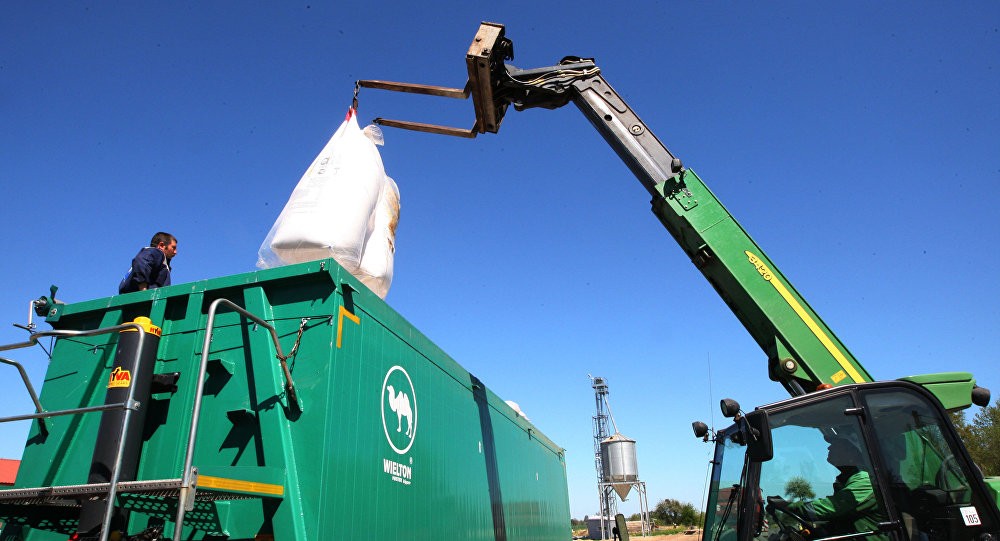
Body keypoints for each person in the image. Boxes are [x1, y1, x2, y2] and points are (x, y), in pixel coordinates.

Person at [769, 436, 885, 538]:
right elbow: (842, 519)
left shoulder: (865, 480)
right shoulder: (847, 480)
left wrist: (788, 506)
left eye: (837, 445)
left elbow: (831, 507)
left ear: (853, 452)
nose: (829, 448)